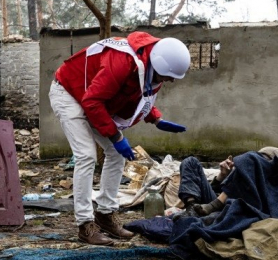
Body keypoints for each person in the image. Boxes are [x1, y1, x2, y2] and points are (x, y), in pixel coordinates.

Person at [49, 32, 191, 245]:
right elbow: (92, 102)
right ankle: (85, 225)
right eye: (169, 76)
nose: (170, 80)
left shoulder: (152, 66)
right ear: (159, 64)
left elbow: (139, 96)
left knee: (116, 154)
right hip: (69, 92)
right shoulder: (122, 62)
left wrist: (155, 118)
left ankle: (105, 215)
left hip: (93, 98)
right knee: (86, 156)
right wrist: (115, 136)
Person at [176, 146, 278, 222]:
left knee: (211, 217)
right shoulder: (244, 172)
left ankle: (199, 217)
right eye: (260, 157)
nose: (259, 163)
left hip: (233, 213)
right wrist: (222, 176)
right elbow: (210, 193)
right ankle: (191, 208)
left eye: (265, 160)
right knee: (190, 162)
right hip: (208, 207)